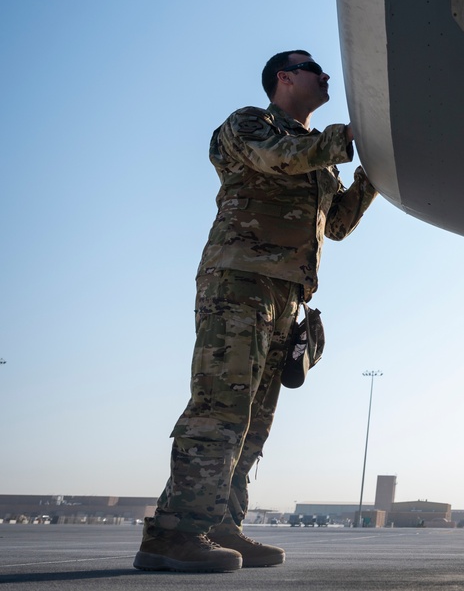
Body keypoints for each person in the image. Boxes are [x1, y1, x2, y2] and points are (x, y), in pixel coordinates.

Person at [134, 50, 378, 573]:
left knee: (254, 422)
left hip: (288, 293)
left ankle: (222, 525)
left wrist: (374, 175)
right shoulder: (251, 123)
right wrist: (350, 136)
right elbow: (280, 158)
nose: (327, 74)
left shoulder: (319, 156)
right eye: (314, 68)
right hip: (240, 281)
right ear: (284, 79)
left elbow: (334, 223)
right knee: (222, 407)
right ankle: (173, 533)